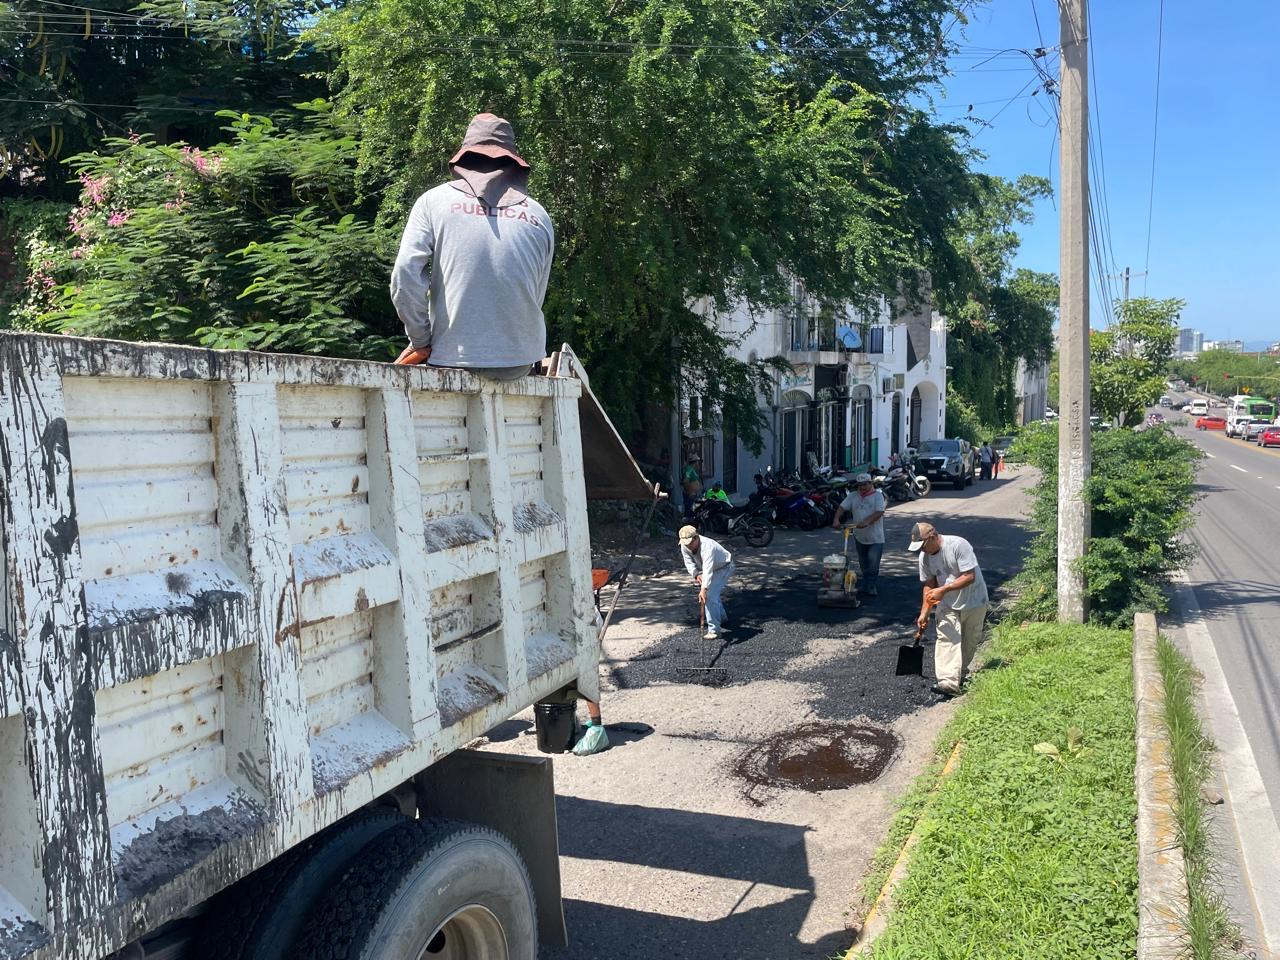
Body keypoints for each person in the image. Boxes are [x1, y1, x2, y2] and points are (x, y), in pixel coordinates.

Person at [390, 113, 554, 379]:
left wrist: (420, 341)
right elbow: (536, 295)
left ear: (464, 158)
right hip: (519, 364)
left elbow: (405, 277)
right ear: (513, 163)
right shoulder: (538, 214)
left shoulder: (433, 201)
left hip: (451, 360)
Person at [909, 521, 989, 697]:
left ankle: (959, 674)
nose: (921, 550)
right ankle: (947, 682)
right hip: (947, 604)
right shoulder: (925, 558)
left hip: (974, 599)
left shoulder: (958, 545)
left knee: (970, 641)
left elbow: (969, 576)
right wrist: (925, 612)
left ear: (933, 536)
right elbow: (929, 586)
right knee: (947, 637)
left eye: (922, 545)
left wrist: (944, 589)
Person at [831, 472, 886, 596]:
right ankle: (866, 585)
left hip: (875, 537)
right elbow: (841, 508)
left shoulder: (878, 496)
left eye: (865, 484)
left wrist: (866, 521)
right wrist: (836, 519)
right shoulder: (853, 496)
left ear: (870, 483)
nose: (862, 487)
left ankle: (871, 586)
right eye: (860, 485)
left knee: (873, 564)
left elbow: (879, 512)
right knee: (863, 563)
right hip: (859, 536)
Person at [678, 525, 734, 640]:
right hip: (711, 569)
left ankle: (714, 630)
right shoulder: (685, 545)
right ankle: (722, 617)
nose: (688, 546)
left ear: (696, 537)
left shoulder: (707, 546)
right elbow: (688, 562)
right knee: (712, 593)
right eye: (685, 543)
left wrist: (704, 589)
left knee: (708, 595)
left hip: (724, 567)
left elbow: (707, 569)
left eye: (690, 543)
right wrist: (696, 574)